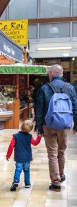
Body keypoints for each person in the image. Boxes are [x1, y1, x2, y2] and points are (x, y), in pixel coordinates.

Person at [35, 64, 77, 192]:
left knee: (52, 153)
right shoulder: (69, 88)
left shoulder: (44, 88)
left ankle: (56, 181)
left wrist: (39, 127)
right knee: (61, 152)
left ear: (51, 74)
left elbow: (39, 109)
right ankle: (61, 173)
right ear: (62, 74)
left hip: (49, 125)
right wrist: (76, 126)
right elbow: (75, 107)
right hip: (64, 126)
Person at [6, 120, 42, 191]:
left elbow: (11, 146)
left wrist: (8, 155)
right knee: (27, 170)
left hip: (19, 157)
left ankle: (15, 182)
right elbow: (35, 143)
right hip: (27, 158)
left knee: (18, 170)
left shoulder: (16, 136)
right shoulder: (29, 137)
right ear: (30, 130)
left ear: (21, 126)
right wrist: (39, 137)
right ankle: (27, 184)